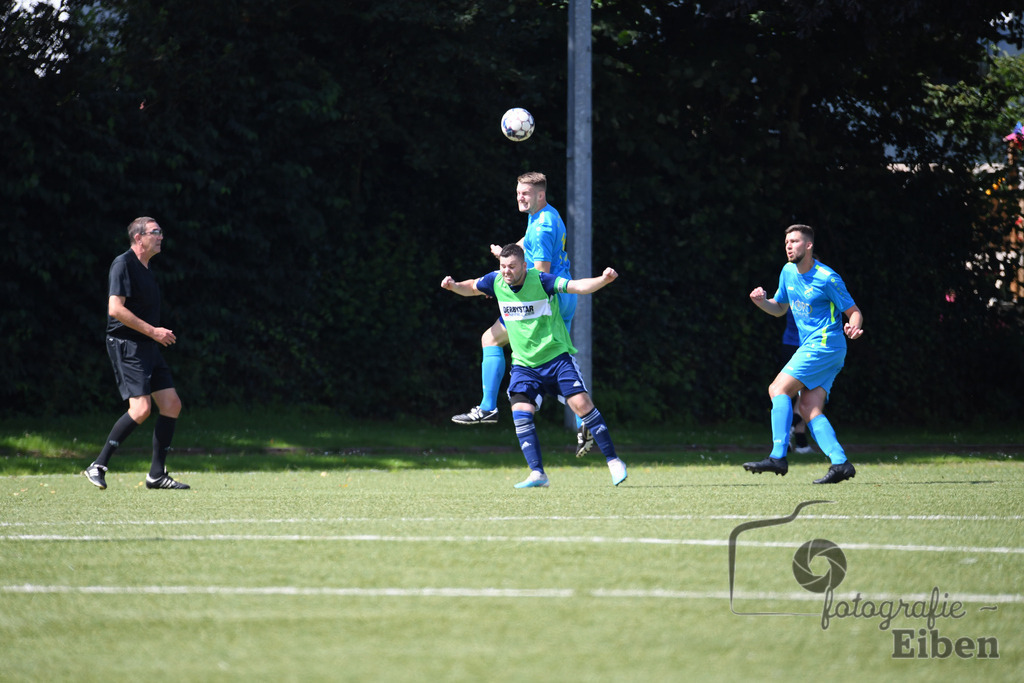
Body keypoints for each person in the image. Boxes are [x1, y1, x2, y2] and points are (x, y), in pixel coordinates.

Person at [441, 244, 626, 488]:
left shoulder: (542, 281)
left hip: (556, 359)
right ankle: (538, 473)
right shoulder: (495, 281)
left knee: (582, 405)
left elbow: (576, 286)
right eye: (503, 266)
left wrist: (603, 280)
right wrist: (454, 286)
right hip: (524, 365)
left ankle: (613, 461)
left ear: (524, 266)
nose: (506, 271)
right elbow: (472, 286)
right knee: (520, 412)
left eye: (512, 267)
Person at [450, 171, 594, 458]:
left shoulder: (542, 227)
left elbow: (539, 275)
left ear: (540, 194)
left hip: (545, 303)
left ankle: (488, 407)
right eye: (518, 192)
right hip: (562, 300)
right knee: (559, 363)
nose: (520, 196)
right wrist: (507, 254)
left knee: (491, 340)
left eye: (525, 193)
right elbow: (527, 243)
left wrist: (505, 285)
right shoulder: (544, 215)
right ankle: (586, 421)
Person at [743, 224, 863, 484]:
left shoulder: (827, 277)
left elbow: (853, 311)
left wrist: (854, 327)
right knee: (808, 408)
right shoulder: (787, 272)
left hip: (824, 344)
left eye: (795, 241)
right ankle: (840, 463)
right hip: (818, 347)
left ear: (808, 246)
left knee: (778, 389)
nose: (788, 246)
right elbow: (779, 309)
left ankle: (777, 456)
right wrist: (761, 302)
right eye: (786, 242)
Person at [83, 217, 189, 490]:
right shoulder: (123, 264)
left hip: (147, 347)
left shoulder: (146, 268)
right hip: (126, 345)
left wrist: (152, 337)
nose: (161, 237)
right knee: (141, 409)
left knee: (171, 404)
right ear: (139, 237)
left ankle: (156, 475)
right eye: (156, 232)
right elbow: (115, 309)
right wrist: (154, 331)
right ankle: (98, 464)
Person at [781, 309, 813, 455]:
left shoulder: (791, 292)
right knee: (807, 396)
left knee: (800, 396)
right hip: (804, 348)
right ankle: (787, 430)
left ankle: (801, 444)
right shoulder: (807, 294)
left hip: (788, 345)